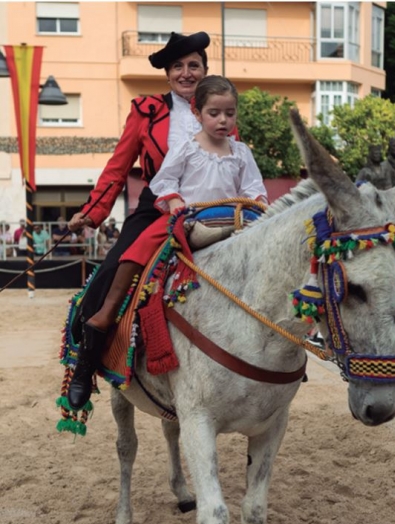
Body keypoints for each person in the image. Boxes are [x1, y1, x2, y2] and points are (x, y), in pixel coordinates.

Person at [67, 75, 266, 410]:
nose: (223, 120)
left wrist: (255, 207)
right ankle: (103, 319)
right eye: (215, 113)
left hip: (229, 223)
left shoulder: (241, 152)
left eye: (229, 114)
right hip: (184, 221)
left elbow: (254, 189)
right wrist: (174, 202)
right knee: (137, 250)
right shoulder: (186, 146)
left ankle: (278, 342)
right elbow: (164, 180)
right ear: (198, 113)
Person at [66, 31, 212, 409]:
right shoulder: (147, 111)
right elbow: (118, 168)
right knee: (113, 270)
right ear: (167, 74)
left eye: (193, 65)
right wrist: (92, 212)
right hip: (156, 205)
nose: (185, 73)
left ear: (205, 70)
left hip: (212, 202)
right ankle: (87, 362)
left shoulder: (218, 108)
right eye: (177, 66)